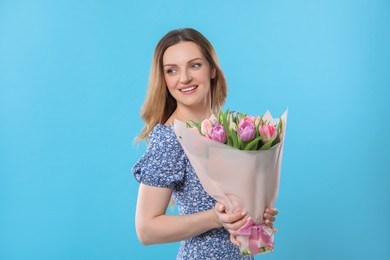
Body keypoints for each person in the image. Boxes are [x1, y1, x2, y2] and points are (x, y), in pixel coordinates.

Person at [132, 28, 278, 259]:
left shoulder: (232, 128)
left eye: (194, 65)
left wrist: (256, 215)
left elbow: (238, 203)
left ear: (212, 69)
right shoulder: (171, 138)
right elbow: (146, 230)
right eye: (172, 70)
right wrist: (214, 218)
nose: (184, 78)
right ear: (164, 79)